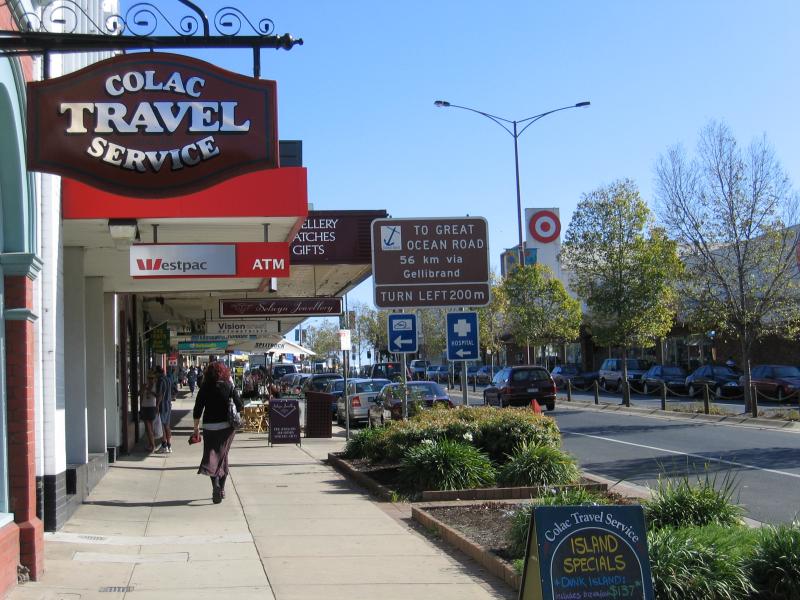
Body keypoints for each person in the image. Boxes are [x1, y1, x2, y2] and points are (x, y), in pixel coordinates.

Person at [192, 362, 242, 504]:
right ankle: (222, 489)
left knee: (211, 456)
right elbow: (239, 405)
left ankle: (215, 486)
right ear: (224, 373)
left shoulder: (205, 387)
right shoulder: (228, 385)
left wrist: (196, 428)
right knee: (223, 456)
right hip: (227, 427)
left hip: (209, 427)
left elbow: (197, 409)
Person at [155, 365, 173, 453]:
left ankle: (163, 445)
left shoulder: (160, 380)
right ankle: (169, 446)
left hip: (162, 405)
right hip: (168, 405)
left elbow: (160, 394)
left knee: (161, 425)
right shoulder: (168, 379)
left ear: (158, 373)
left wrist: (157, 405)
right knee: (167, 425)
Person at [141, 371, 159, 452]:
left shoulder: (155, 386)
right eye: (149, 378)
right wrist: (143, 389)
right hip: (144, 407)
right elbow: (139, 394)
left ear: (154, 379)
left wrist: (150, 391)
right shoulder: (145, 385)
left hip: (151, 407)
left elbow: (158, 395)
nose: (150, 380)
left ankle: (153, 445)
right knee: (147, 428)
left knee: (149, 427)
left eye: (152, 378)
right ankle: (150, 444)